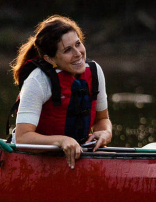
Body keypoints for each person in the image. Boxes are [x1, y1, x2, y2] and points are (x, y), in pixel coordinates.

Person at [9, 15, 112, 168]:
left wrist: (105, 133)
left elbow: (102, 119)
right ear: (50, 59)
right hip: (33, 157)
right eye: (67, 50)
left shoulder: (95, 71)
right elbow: (23, 137)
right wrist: (62, 140)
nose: (78, 53)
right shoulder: (38, 80)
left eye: (78, 44)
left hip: (77, 152)